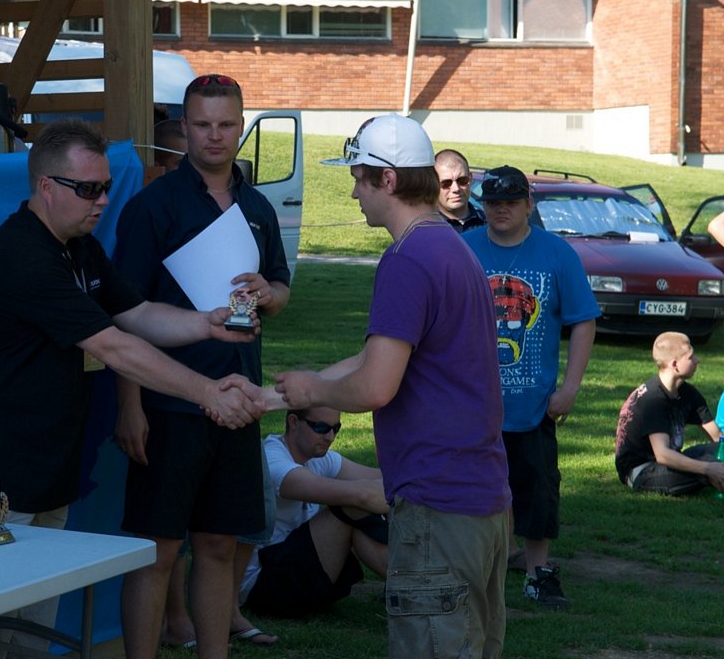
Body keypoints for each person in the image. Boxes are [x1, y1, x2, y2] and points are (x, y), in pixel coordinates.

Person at [0, 117, 264, 658]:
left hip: (45, 475)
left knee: (30, 642)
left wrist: (207, 323)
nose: (103, 200)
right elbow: (114, 346)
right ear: (46, 186)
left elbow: (138, 314)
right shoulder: (22, 255)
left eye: (106, 186)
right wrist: (207, 392)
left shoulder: (79, 248)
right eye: (88, 189)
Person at [271, 113, 512, 659]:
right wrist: (279, 394)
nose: (353, 193)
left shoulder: (407, 259)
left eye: (358, 178)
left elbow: (375, 386)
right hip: (481, 499)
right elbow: (377, 356)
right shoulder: (451, 247)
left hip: (437, 504)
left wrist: (314, 393)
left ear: (388, 179)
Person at [114, 73, 291, 659]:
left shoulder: (258, 206)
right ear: (184, 128)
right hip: (169, 404)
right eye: (202, 124)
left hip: (239, 402)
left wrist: (269, 293)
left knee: (217, 545)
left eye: (226, 124)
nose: (215, 136)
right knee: (157, 551)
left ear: (241, 126)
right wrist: (130, 404)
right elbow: (122, 315)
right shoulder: (152, 207)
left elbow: (282, 287)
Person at [463, 165, 600, 610]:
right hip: (473, 402)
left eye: (510, 202)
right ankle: (473, 567)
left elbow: (583, 321)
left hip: (534, 403)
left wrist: (570, 387)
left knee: (538, 489)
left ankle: (538, 574)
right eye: (492, 203)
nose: (500, 210)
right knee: (472, 488)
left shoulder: (556, 253)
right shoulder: (464, 249)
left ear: (528, 204)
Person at [240, 407, 388, 618]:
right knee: (351, 506)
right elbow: (363, 495)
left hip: (293, 570)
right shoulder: (273, 461)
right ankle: (416, 585)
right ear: (293, 422)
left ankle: (413, 584)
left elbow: (385, 480)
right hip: (261, 584)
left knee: (368, 504)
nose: (330, 437)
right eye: (321, 428)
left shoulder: (317, 458)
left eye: (336, 428)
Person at [615, 332, 724, 497]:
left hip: (673, 460)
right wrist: (708, 468)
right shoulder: (653, 400)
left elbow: (719, 437)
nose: (697, 360)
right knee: (709, 463)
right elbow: (663, 455)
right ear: (675, 364)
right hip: (642, 471)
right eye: (691, 357)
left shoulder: (688, 393)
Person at [434, 149, 485, 232]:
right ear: (433, 184)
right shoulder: (426, 227)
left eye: (462, 181)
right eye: (446, 183)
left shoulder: (489, 224)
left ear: (470, 178)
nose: (456, 189)